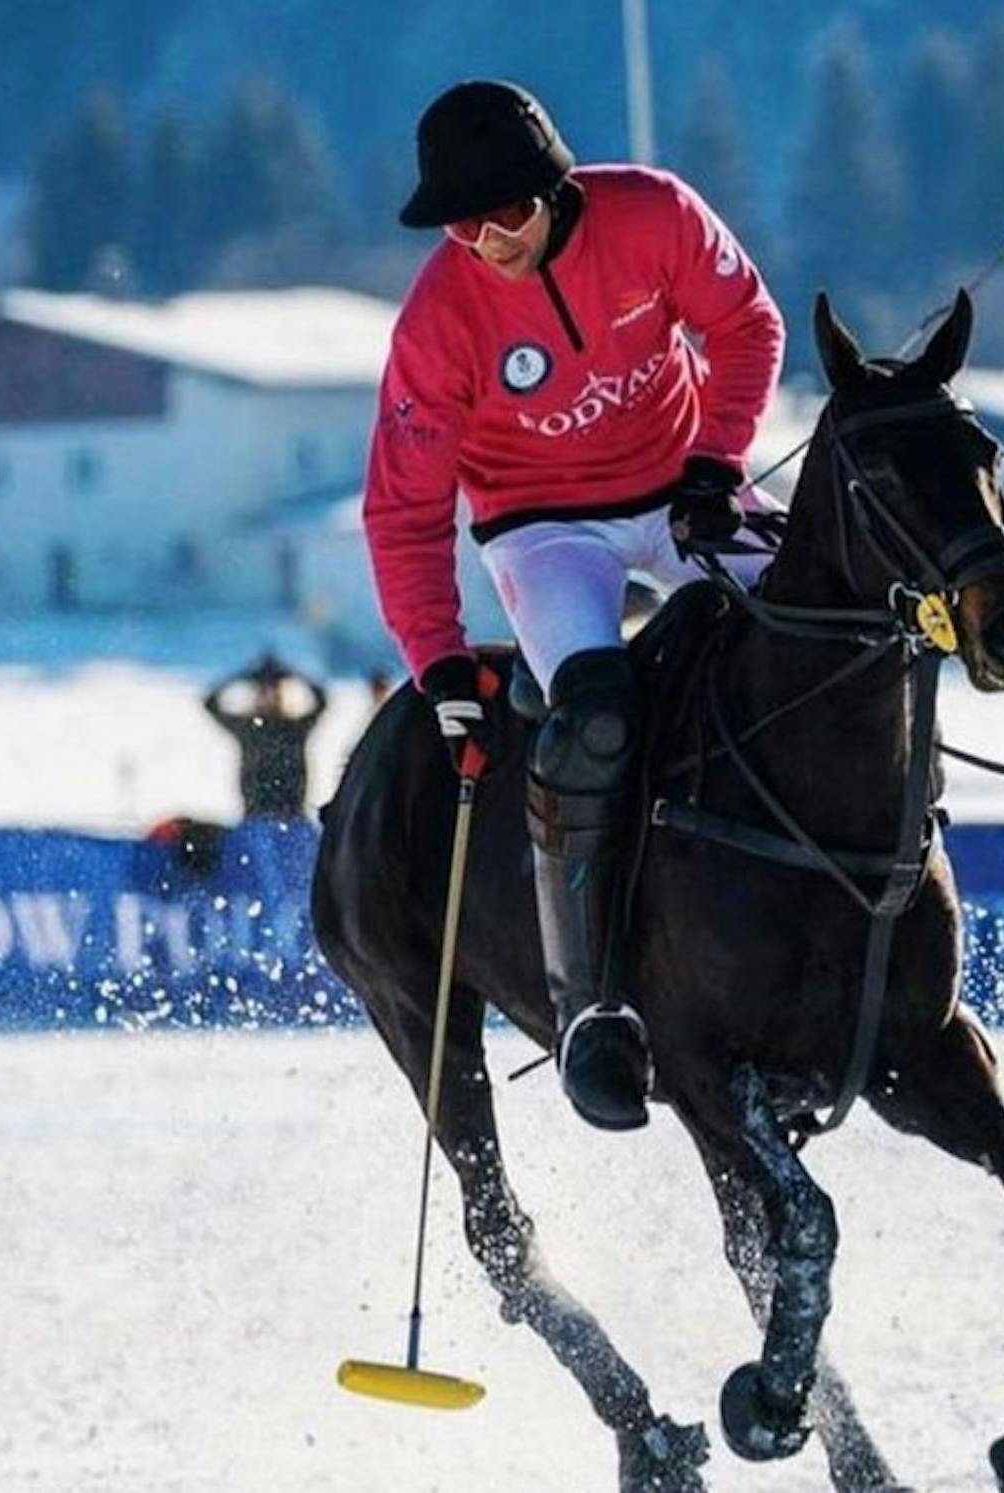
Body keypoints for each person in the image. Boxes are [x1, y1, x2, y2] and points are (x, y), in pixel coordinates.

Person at [363, 79, 784, 1130]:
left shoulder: (654, 213)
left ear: (555, 190)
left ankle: (886, 893)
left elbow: (747, 326)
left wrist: (715, 459)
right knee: (592, 719)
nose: (486, 239)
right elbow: (404, 508)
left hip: (682, 488)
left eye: (505, 213)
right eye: (460, 222)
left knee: (821, 631)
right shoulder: (438, 318)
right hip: (545, 528)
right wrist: (440, 661)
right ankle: (592, 1002)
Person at [203, 651, 329, 818]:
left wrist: (292, 674)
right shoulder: (249, 729)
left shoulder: (294, 727)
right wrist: (244, 676)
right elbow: (210, 703)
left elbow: (322, 700)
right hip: (255, 816)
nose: (269, 697)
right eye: (263, 692)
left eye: (274, 691)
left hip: (293, 815)